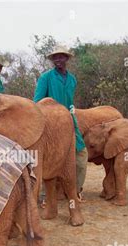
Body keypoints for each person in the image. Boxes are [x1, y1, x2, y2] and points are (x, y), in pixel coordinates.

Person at [33, 45, 87, 201]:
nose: (58, 59)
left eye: (61, 56)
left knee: (81, 154)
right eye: (55, 57)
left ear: (67, 58)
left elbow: (70, 102)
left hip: (70, 120)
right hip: (51, 123)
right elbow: (37, 102)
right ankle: (44, 196)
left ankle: (74, 192)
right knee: (49, 158)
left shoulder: (72, 79)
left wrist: (71, 113)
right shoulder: (46, 78)